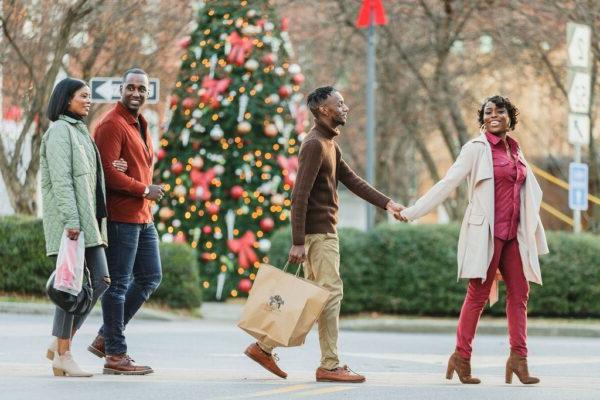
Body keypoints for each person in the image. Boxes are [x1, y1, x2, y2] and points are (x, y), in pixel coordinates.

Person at [244, 86, 405, 383]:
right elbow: (299, 196)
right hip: (318, 236)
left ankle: (264, 347)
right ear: (323, 110)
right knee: (330, 295)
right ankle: (329, 365)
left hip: (324, 233)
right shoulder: (314, 145)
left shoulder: (330, 144)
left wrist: (388, 204)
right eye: (339, 103)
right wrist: (298, 241)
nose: (345, 108)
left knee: (315, 298)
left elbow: (352, 181)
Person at [399, 95, 548, 385]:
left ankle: (519, 360)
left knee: (520, 294)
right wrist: (412, 212)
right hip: (487, 233)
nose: (494, 115)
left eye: (500, 111)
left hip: (514, 236)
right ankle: (461, 357)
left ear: (510, 117)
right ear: (483, 119)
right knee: (477, 295)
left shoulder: (516, 150)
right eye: (488, 112)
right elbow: (447, 183)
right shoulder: (476, 149)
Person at [41, 78, 127, 377]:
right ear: (66, 100)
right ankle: (63, 352)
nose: (88, 101)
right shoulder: (59, 132)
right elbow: (62, 181)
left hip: (89, 221)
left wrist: (117, 167)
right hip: (73, 223)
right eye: (83, 96)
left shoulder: (79, 132)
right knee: (71, 285)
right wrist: (72, 221)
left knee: (99, 281)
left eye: (90, 96)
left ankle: (60, 340)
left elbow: (91, 176)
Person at [92, 68, 164, 375]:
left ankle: (103, 338)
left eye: (142, 89)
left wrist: (141, 188)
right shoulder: (111, 124)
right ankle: (115, 355)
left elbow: (128, 167)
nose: (136, 92)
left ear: (148, 92)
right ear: (121, 89)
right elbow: (108, 174)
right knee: (118, 284)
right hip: (123, 214)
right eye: (130, 87)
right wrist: (145, 189)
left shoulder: (140, 123)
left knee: (150, 277)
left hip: (142, 215)